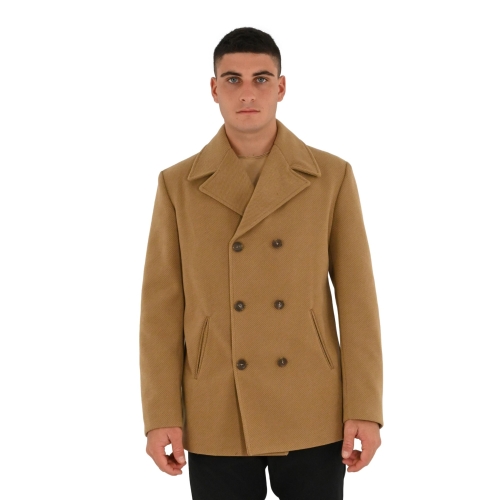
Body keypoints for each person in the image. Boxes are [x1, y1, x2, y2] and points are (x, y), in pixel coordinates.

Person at [139, 27, 383, 499]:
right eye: (232, 79)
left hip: (313, 403)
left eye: (261, 79)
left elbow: (358, 301)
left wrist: (365, 407)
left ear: (281, 87)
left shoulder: (331, 176)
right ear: (214, 89)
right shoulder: (178, 185)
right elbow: (161, 310)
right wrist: (161, 414)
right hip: (216, 407)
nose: (247, 93)